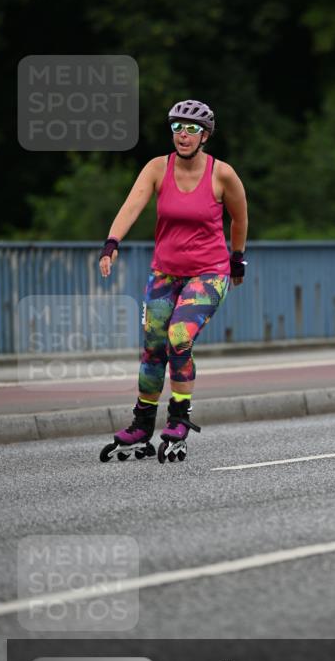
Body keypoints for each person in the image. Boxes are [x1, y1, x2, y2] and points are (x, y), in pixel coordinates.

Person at [98, 99, 247, 462]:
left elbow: (239, 219)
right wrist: (111, 243)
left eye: (192, 129)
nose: (183, 135)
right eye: (177, 128)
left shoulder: (221, 174)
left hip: (209, 273)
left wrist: (236, 260)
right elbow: (132, 205)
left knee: (178, 336)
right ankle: (141, 424)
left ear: (205, 135)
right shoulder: (156, 168)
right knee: (152, 346)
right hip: (165, 271)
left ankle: (179, 417)